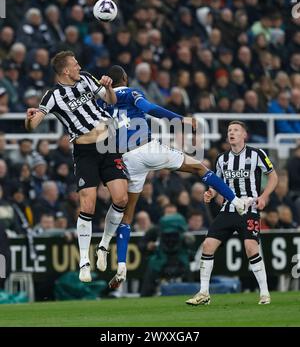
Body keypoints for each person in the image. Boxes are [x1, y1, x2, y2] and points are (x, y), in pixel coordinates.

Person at [97, 65, 252, 288]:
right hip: (147, 148)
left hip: (126, 159)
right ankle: (236, 202)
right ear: (125, 78)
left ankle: (121, 266)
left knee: (127, 216)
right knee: (200, 167)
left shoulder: (104, 101)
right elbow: (149, 108)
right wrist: (181, 119)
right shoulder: (131, 92)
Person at [24, 51, 128, 283]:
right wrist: (29, 117)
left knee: (121, 199)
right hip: (85, 152)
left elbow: (111, 100)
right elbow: (33, 125)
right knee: (88, 204)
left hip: (109, 145)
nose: (79, 66)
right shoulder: (52, 96)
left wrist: (109, 87)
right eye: (75, 64)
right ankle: (84, 260)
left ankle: (103, 247)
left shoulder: (88, 78)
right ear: (65, 71)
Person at [185, 121, 278, 306]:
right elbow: (217, 183)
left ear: (244, 135)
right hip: (228, 209)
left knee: (251, 248)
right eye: (229, 130)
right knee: (207, 245)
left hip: (249, 209)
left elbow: (273, 176)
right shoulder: (221, 159)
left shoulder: (257, 154)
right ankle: (204, 293)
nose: (232, 133)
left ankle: (265, 293)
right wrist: (211, 192)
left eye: (236, 130)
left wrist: (264, 196)